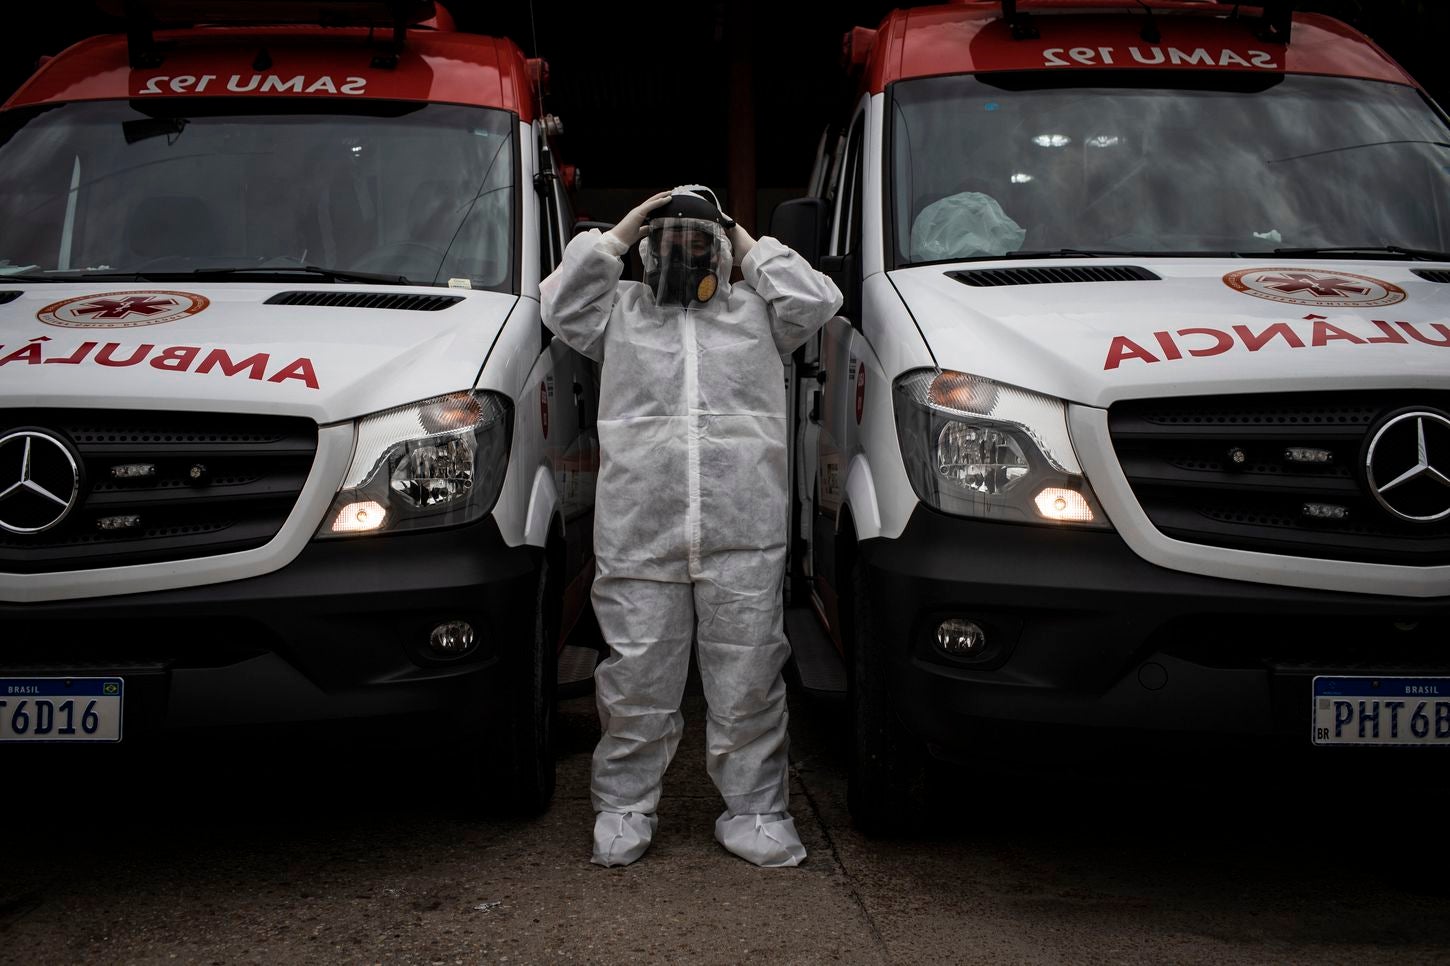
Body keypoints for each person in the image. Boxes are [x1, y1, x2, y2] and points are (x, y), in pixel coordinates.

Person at [540, 186, 842, 868]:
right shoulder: (618, 314)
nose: (684, 253)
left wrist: (736, 230)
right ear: (647, 252)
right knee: (636, 682)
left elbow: (818, 298)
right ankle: (622, 808)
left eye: (698, 241)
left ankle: (756, 811)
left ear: (722, 253)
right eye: (669, 240)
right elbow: (557, 303)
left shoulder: (759, 313)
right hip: (640, 535)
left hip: (742, 532)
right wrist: (621, 230)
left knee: (748, 682)